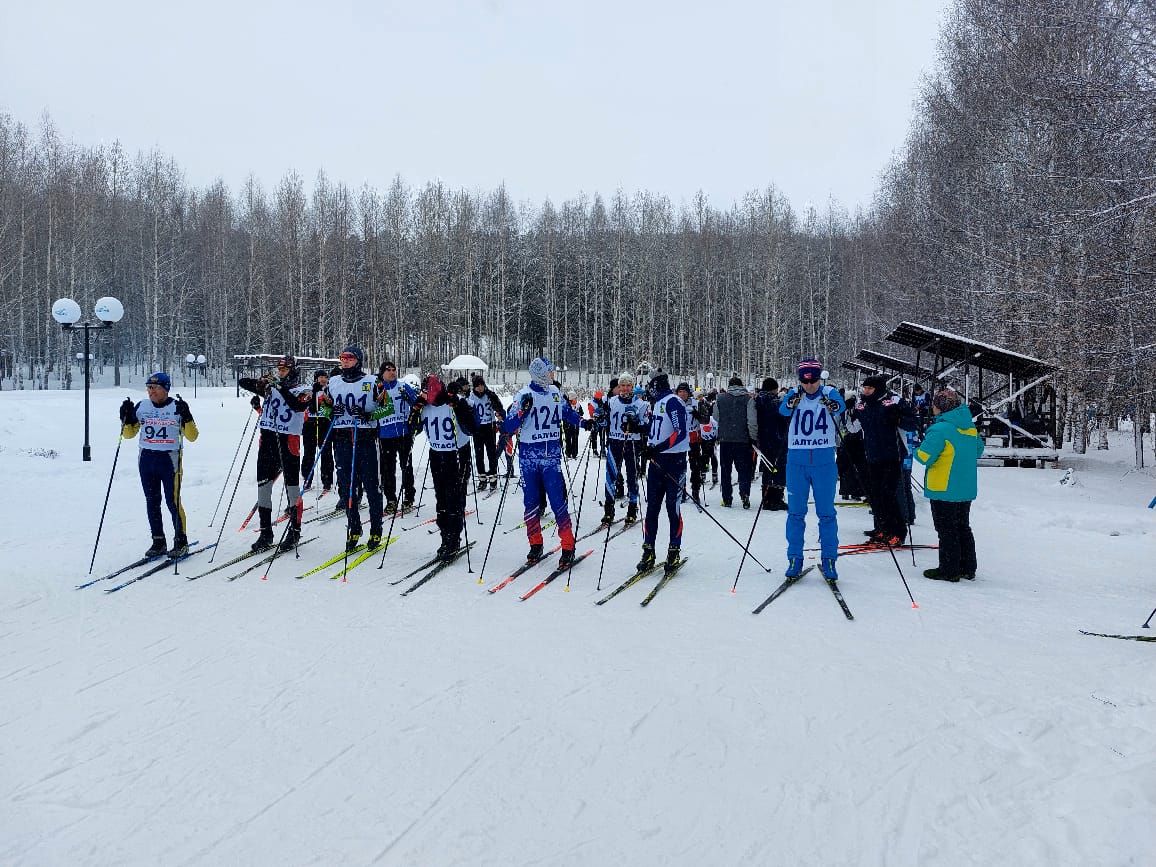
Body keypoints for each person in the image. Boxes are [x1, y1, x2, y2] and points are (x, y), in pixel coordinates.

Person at [501, 357, 582, 566]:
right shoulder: (524, 394)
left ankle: (567, 546)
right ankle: (535, 544)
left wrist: (586, 423)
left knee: (558, 502)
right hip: (529, 458)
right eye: (549, 372)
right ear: (539, 373)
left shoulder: (555, 392)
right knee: (531, 504)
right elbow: (508, 426)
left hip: (551, 458)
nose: (552, 375)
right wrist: (521, 412)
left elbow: (568, 414)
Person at [779, 357, 846, 581]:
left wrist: (831, 404)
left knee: (826, 513)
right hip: (796, 461)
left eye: (813, 380)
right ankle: (794, 558)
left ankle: (829, 559)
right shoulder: (793, 393)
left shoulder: (829, 392)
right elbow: (783, 411)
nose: (809, 385)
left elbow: (841, 406)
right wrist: (792, 401)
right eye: (805, 381)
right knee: (795, 512)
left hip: (824, 460)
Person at [118, 372, 198, 557]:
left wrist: (186, 416)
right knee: (152, 501)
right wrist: (126, 418)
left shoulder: (176, 407)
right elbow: (128, 435)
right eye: (148, 387)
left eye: (154, 388)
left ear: (165, 389)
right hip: (146, 459)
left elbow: (193, 436)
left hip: (169, 460)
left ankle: (181, 541)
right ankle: (158, 541)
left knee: (173, 501)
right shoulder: (142, 406)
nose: (150, 391)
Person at [238, 355, 312, 553]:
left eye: (285, 368)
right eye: (279, 368)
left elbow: (298, 405)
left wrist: (279, 387)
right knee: (263, 486)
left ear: (293, 370)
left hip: (288, 440)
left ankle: (295, 531)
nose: (281, 371)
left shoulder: (302, 389)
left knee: (292, 487)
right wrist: (262, 383)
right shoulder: (271, 387)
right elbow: (243, 382)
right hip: (268, 439)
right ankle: (265, 532)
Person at [319, 346, 391, 552]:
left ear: (358, 360)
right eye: (342, 358)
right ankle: (354, 527)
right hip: (342, 439)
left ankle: (376, 528)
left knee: (371, 486)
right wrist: (332, 412)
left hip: (366, 438)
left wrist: (369, 415)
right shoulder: (333, 382)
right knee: (347, 487)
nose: (345, 361)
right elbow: (323, 407)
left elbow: (388, 407)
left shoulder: (373, 382)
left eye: (349, 358)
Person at [915, 388, 984, 581]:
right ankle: (967, 567)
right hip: (965, 486)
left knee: (946, 530)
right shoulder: (969, 427)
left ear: (940, 407)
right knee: (962, 526)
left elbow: (924, 457)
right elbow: (978, 450)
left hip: (943, 487)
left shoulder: (940, 429)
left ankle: (949, 569)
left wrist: (915, 448)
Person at [410, 373, 475, 560]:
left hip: (457, 453)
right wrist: (415, 410)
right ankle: (445, 538)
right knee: (441, 500)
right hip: (437, 454)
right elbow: (412, 429)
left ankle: (453, 539)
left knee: (454, 498)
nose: (429, 398)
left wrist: (459, 406)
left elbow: (472, 428)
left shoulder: (454, 402)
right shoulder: (425, 406)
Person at [636, 372, 690, 572]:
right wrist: (638, 427)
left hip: (674, 461)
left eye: (651, 386)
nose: (649, 390)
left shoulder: (673, 401)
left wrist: (657, 448)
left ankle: (673, 551)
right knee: (652, 508)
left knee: (671, 507)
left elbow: (680, 432)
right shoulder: (657, 403)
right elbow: (654, 427)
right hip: (656, 461)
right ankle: (648, 550)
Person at [855, 374, 917, 546]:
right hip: (872, 454)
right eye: (864, 388)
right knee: (876, 495)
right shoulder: (863, 404)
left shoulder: (893, 400)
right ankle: (882, 528)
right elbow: (855, 424)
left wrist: (898, 418)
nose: (866, 391)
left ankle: (898, 531)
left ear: (878, 389)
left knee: (889, 494)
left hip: (892, 455)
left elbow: (912, 423)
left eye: (869, 388)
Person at [595, 372, 647, 526]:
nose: (625, 388)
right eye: (622, 385)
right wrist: (600, 418)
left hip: (631, 444)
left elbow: (647, 426)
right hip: (614, 443)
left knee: (632, 477)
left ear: (632, 386)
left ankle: (632, 509)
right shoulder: (611, 402)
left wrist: (636, 424)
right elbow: (605, 423)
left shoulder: (641, 404)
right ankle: (608, 511)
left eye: (628, 385)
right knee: (611, 477)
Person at [375, 360, 419, 512]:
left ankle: (408, 497)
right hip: (385, 435)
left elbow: (417, 403)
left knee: (406, 466)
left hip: (403, 433)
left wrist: (414, 418)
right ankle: (391, 499)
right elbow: (369, 409)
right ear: (382, 373)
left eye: (394, 369)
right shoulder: (377, 388)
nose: (392, 372)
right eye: (389, 370)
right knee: (388, 469)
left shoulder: (402, 386)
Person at [712, 375, 758, 508]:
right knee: (744, 470)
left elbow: (716, 417)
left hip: (725, 439)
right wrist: (753, 438)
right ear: (741, 385)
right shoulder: (748, 400)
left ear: (729, 386)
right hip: (743, 440)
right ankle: (745, 495)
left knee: (726, 470)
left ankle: (726, 498)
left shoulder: (720, 398)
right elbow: (752, 421)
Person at [754, 377, 788, 510]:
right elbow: (784, 418)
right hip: (777, 439)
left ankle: (766, 498)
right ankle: (776, 498)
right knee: (779, 469)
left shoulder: (758, 400)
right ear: (774, 389)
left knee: (768, 469)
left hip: (763, 439)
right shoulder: (775, 402)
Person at [467, 374, 506, 486]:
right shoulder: (471, 397)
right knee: (479, 454)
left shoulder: (489, 395)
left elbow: (499, 408)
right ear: (474, 387)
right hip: (478, 428)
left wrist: (495, 404)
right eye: (477, 386)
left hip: (489, 426)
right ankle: (482, 479)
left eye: (482, 385)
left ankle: (493, 479)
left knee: (491, 453)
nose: (480, 388)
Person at [301, 369, 334, 494]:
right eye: (320, 377)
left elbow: (331, 406)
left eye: (325, 377)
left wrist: (327, 402)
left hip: (324, 424)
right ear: (316, 379)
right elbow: (303, 403)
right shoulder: (310, 390)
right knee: (309, 453)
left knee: (326, 453)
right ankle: (307, 479)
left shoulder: (329, 390)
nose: (323, 379)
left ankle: (327, 481)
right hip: (310, 424)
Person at [562, 390, 582, 459]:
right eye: (575, 399)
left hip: (576, 426)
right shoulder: (566, 406)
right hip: (567, 426)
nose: (576, 400)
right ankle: (568, 453)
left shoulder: (578, 405)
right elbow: (564, 416)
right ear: (571, 399)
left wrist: (578, 415)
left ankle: (574, 453)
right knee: (568, 439)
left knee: (575, 439)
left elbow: (582, 413)